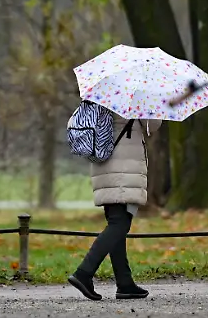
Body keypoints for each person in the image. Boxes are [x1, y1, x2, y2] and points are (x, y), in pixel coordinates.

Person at [67, 113, 160, 301]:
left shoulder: (103, 95)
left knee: (117, 223)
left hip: (104, 160)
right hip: (124, 166)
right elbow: (153, 125)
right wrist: (154, 107)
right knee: (120, 224)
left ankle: (125, 283)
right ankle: (84, 273)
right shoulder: (134, 95)